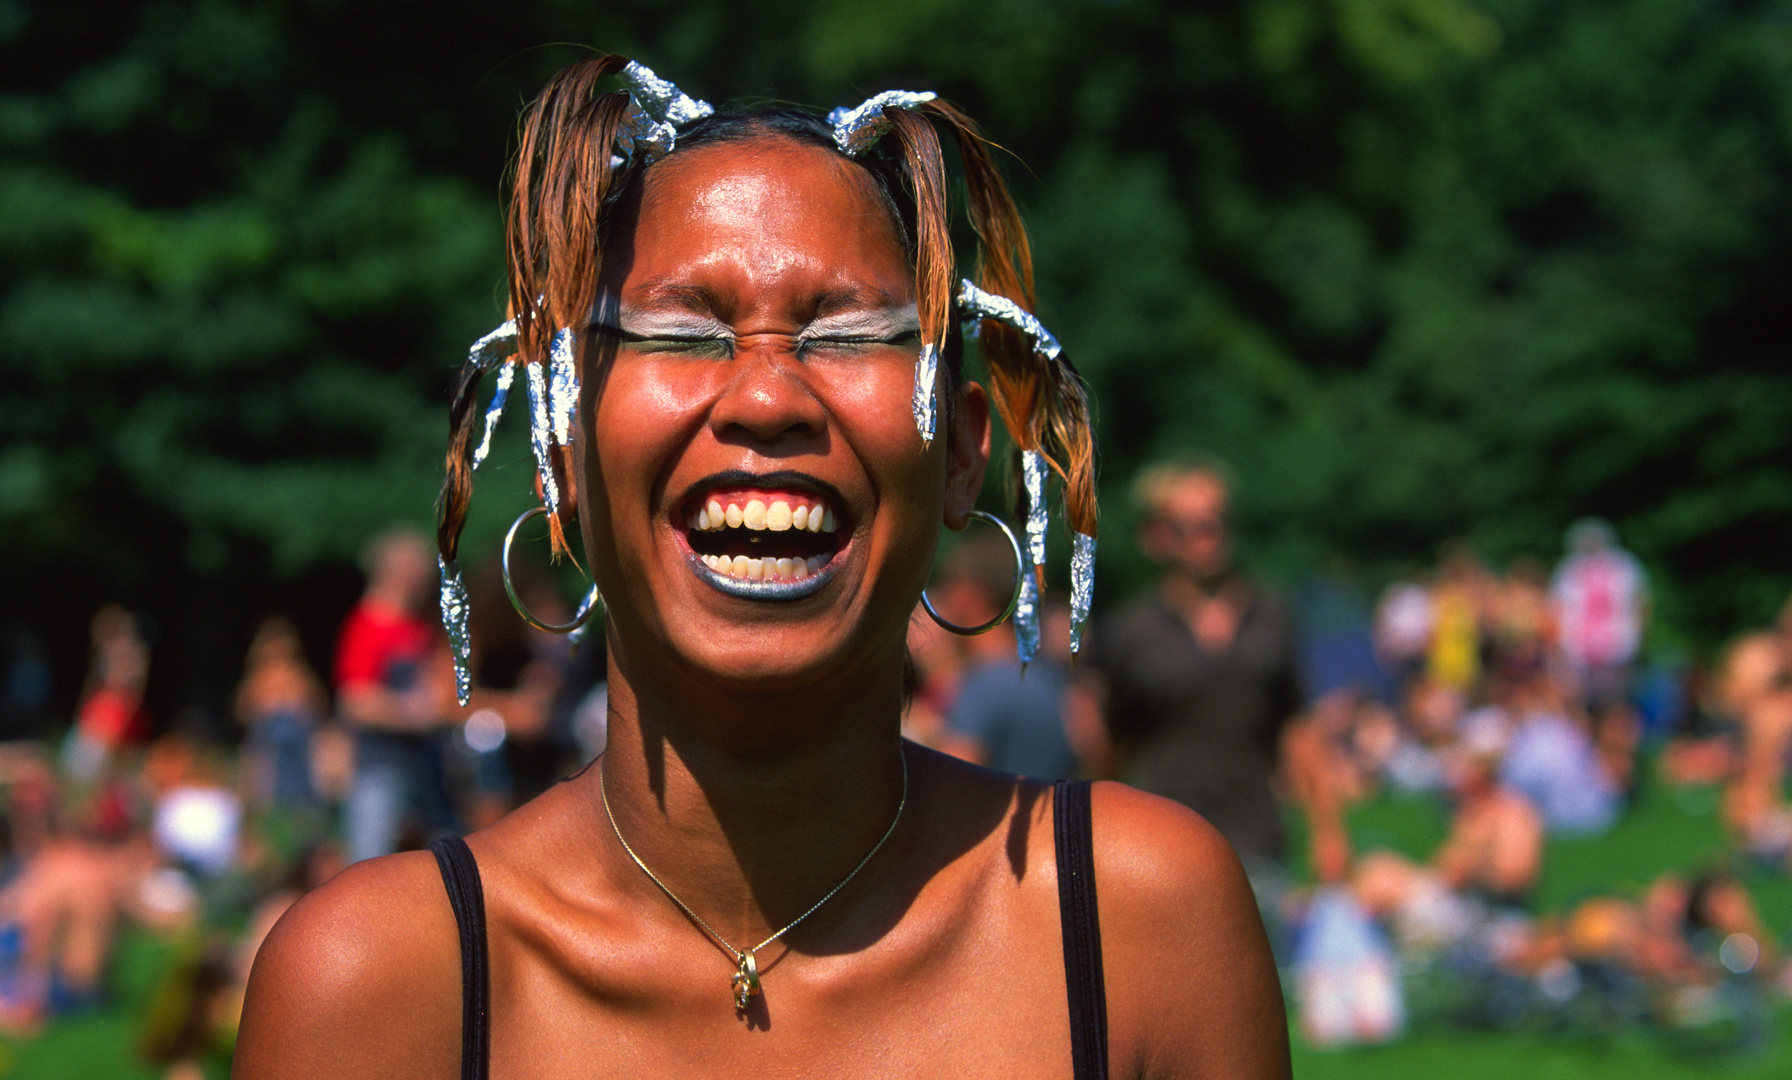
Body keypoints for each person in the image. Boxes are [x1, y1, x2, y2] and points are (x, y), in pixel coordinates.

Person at [236, 56, 1288, 1078]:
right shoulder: (376, 984)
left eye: (847, 335)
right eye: (682, 335)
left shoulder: (1132, 923)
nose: (767, 398)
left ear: (964, 453)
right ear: (560, 454)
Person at [1081, 458, 1304, 873]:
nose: (1209, 538)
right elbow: (1108, 750)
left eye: (1218, 523)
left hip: (1258, 843)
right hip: (1165, 848)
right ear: (1158, 536)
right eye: (1193, 526)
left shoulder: (1271, 614)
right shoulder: (1133, 630)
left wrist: (1330, 830)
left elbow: (1298, 727)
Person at [333, 527, 460, 863]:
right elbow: (355, 702)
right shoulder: (366, 624)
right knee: (371, 866)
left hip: (427, 769)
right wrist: (412, 713)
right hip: (381, 769)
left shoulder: (420, 625)